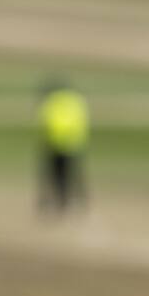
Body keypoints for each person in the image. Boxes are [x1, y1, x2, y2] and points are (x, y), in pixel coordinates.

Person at [37, 79, 89, 216]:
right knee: (70, 175)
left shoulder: (52, 101)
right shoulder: (75, 100)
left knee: (56, 175)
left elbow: (45, 121)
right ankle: (71, 201)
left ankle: (61, 202)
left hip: (55, 143)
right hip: (72, 142)